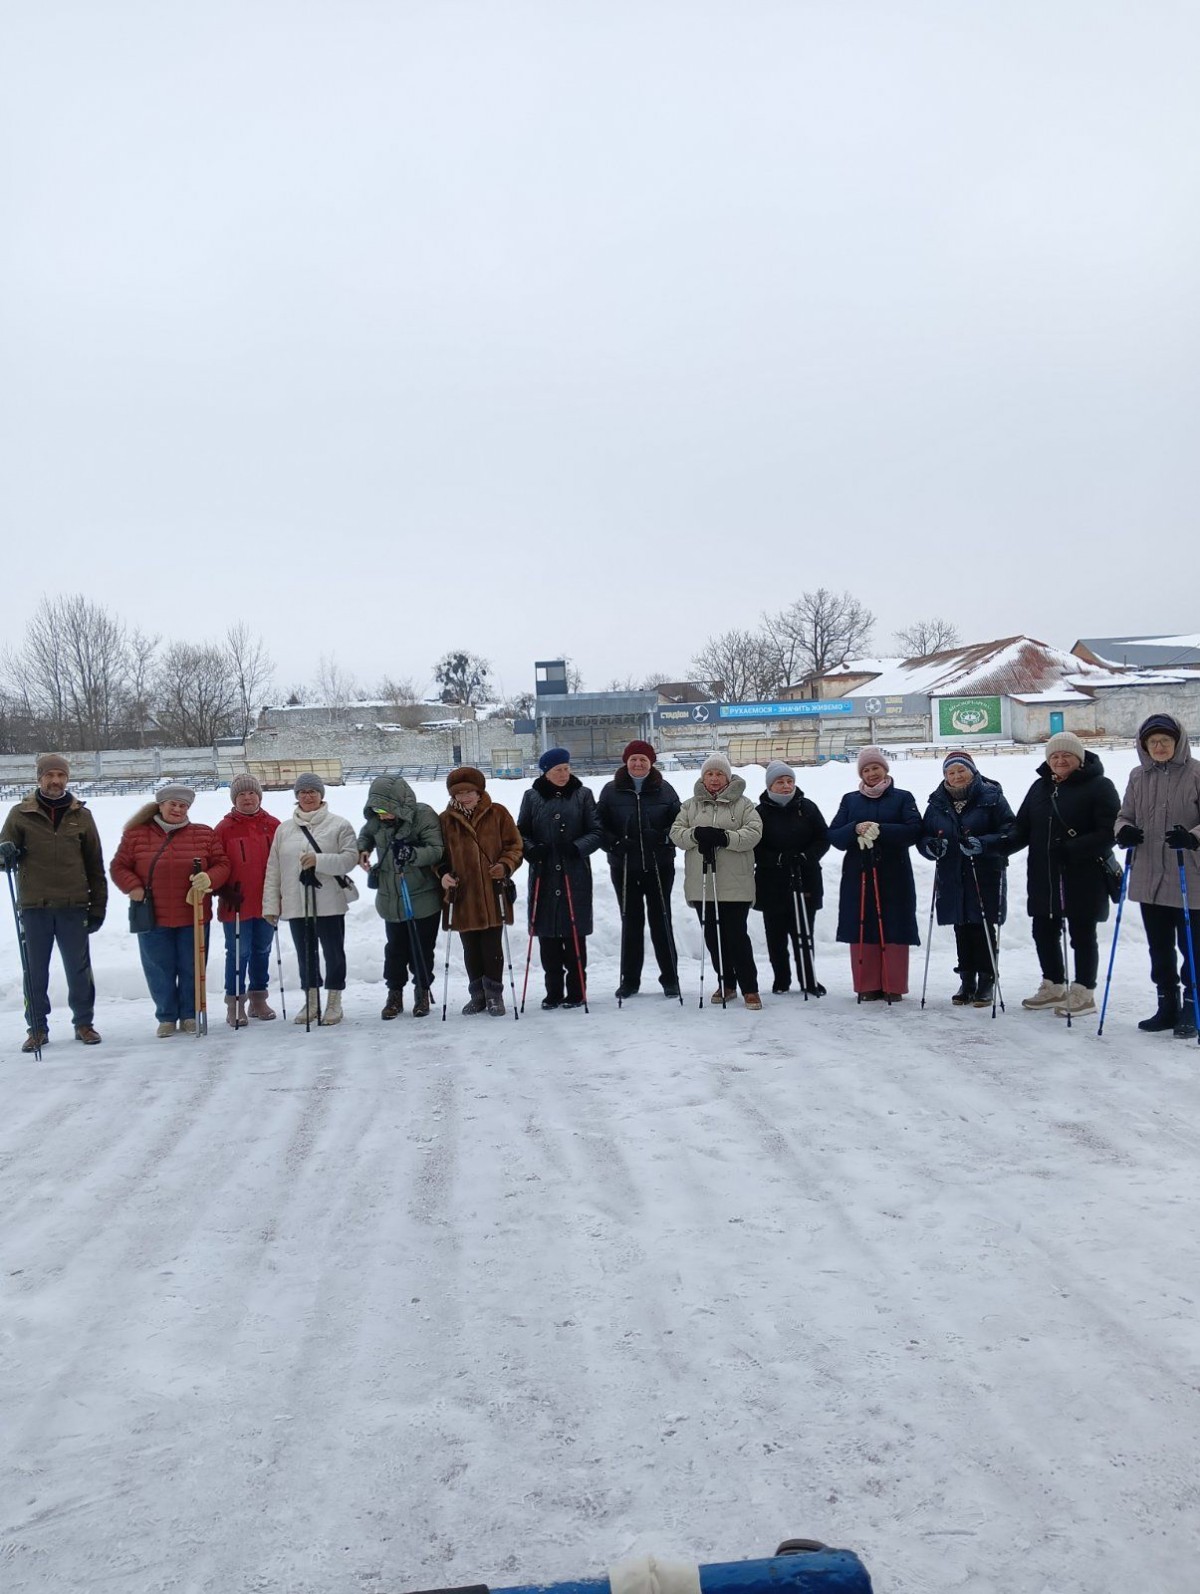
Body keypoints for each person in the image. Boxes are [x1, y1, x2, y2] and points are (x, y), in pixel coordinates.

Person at [1005, 730, 1120, 1018]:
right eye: (1054, 755)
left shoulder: (1100, 786)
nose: (1059, 760)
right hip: (1043, 874)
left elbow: (1110, 832)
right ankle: (1053, 985)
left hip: (1083, 875)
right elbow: (1022, 828)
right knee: (1043, 931)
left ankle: (1083, 991)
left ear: (1079, 758)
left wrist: (1072, 849)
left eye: (1066, 755)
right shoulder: (1039, 787)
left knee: (1082, 934)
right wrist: (996, 846)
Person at [0, 753, 107, 1050]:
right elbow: (2, 857)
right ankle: (37, 1028)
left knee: (79, 969)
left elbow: (95, 865)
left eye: (60, 775)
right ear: (39, 779)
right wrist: (6, 853)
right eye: (49, 775)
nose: (55, 781)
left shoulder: (81, 816)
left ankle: (84, 1024)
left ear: (67, 779)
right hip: (35, 906)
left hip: (74, 906)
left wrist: (98, 907)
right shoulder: (20, 814)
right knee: (34, 971)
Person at [110, 783, 230, 1036]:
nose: (177, 809)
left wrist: (209, 877)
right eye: (173, 804)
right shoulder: (136, 835)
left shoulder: (204, 834)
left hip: (193, 914)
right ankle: (166, 1015)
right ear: (161, 805)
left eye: (183, 805)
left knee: (192, 967)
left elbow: (222, 864)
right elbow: (119, 866)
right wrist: (133, 886)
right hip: (153, 915)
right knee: (159, 968)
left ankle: (189, 1014)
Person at [1114, 714, 1200, 1038]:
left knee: (1192, 948)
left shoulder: (1196, 773)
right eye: (1153, 742)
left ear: (1178, 742)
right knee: (1159, 947)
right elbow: (1124, 816)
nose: (1160, 746)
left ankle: (1193, 1006)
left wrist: (1192, 837)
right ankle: (1167, 1004)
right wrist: (1124, 831)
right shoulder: (1138, 776)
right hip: (1149, 875)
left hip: (1189, 874)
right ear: (1144, 745)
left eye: (1165, 740)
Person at [917, 752, 1014, 1008]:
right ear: (945, 776)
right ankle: (967, 979)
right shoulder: (937, 802)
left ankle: (987, 980)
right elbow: (923, 835)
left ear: (972, 771)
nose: (957, 776)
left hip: (984, 872)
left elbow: (1010, 831)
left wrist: (984, 844)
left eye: (962, 770)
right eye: (951, 772)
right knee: (961, 926)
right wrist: (931, 846)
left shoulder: (992, 797)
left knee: (982, 926)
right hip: (952, 873)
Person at [263, 774, 360, 1027]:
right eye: (303, 792)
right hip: (296, 903)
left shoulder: (339, 825)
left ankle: (334, 1001)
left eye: (312, 791)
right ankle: (312, 1000)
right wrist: (271, 905)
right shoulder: (284, 829)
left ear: (321, 795)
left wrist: (320, 860)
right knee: (305, 955)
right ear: (296, 796)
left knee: (333, 953)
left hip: (329, 902)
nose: (308, 796)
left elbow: (349, 859)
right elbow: (274, 869)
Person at [670, 752, 763, 1008]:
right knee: (713, 938)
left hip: (735, 884)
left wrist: (725, 838)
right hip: (703, 884)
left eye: (719, 773)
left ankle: (750, 988)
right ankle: (726, 983)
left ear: (728, 777)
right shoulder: (690, 806)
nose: (714, 778)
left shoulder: (744, 805)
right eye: (709, 773)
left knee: (736, 937)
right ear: (703, 777)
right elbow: (676, 834)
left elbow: (753, 833)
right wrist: (696, 834)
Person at [828, 747, 922, 1001]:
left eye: (876, 768)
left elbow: (914, 830)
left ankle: (894, 985)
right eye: (866, 770)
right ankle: (866, 984)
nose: (871, 773)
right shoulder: (850, 800)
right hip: (858, 874)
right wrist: (854, 829)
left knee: (895, 926)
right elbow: (834, 835)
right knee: (862, 924)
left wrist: (881, 830)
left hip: (894, 874)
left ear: (885, 769)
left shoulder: (903, 798)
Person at [517, 748, 603, 1008]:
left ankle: (577, 991)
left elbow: (597, 831)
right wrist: (532, 849)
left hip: (574, 874)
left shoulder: (583, 795)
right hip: (543, 875)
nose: (564, 774)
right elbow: (520, 832)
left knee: (574, 936)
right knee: (548, 939)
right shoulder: (532, 797)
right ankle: (553, 992)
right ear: (546, 772)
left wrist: (577, 847)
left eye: (566, 768)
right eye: (558, 770)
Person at [597, 740, 682, 999]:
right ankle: (630, 980)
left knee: (661, 920)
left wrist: (663, 837)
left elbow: (680, 824)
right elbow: (599, 826)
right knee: (631, 923)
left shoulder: (665, 790)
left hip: (659, 865)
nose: (638, 764)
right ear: (626, 761)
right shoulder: (610, 791)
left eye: (643, 759)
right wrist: (614, 843)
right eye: (633, 759)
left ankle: (671, 978)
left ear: (651, 763)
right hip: (625, 867)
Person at [357, 774, 444, 1019]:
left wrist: (412, 854)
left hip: (423, 897)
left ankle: (422, 990)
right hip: (391, 897)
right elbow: (366, 834)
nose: (382, 815)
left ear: (399, 804)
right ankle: (394, 993)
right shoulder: (377, 820)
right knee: (395, 950)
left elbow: (436, 850)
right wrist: (363, 849)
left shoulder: (423, 815)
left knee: (422, 949)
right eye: (377, 810)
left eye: (386, 809)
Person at [439, 766, 523, 1016]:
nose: (464, 797)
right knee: (470, 947)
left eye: (469, 792)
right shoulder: (445, 820)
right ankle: (477, 995)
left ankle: (494, 995)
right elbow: (438, 854)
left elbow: (515, 846)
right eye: (459, 793)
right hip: (462, 895)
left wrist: (505, 865)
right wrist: (443, 874)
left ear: (479, 792)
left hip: (492, 891)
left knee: (491, 945)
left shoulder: (498, 813)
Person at [753, 760, 830, 996]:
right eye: (780, 782)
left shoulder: (807, 807)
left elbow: (823, 837)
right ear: (770, 786)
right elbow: (754, 847)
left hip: (805, 877)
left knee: (803, 934)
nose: (786, 786)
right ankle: (781, 979)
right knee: (776, 937)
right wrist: (777, 858)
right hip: (771, 882)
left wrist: (807, 856)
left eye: (789, 781)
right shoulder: (759, 812)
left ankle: (808, 979)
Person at [214, 773, 281, 1027]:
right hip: (236, 904)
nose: (247, 798)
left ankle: (258, 998)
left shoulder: (273, 825)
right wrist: (222, 889)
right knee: (238, 953)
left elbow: (283, 861)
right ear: (234, 799)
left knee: (262, 950)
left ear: (259, 796)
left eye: (251, 793)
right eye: (241, 794)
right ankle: (235, 1003)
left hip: (267, 901)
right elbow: (215, 863)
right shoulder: (224, 829)